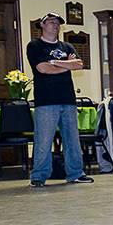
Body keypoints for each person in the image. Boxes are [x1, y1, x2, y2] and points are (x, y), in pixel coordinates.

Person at [27, 12, 94, 187]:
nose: (55, 25)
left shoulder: (67, 46)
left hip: (68, 99)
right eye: (51, 22)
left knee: (72, 140)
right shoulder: (35, 46)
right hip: (46, 101)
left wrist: (55, 62)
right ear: (42, 25)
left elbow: (79, 64)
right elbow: (43, 69)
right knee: (44, 140)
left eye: (57, 22)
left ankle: (76, 173)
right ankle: (39, 176)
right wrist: (67, 65)